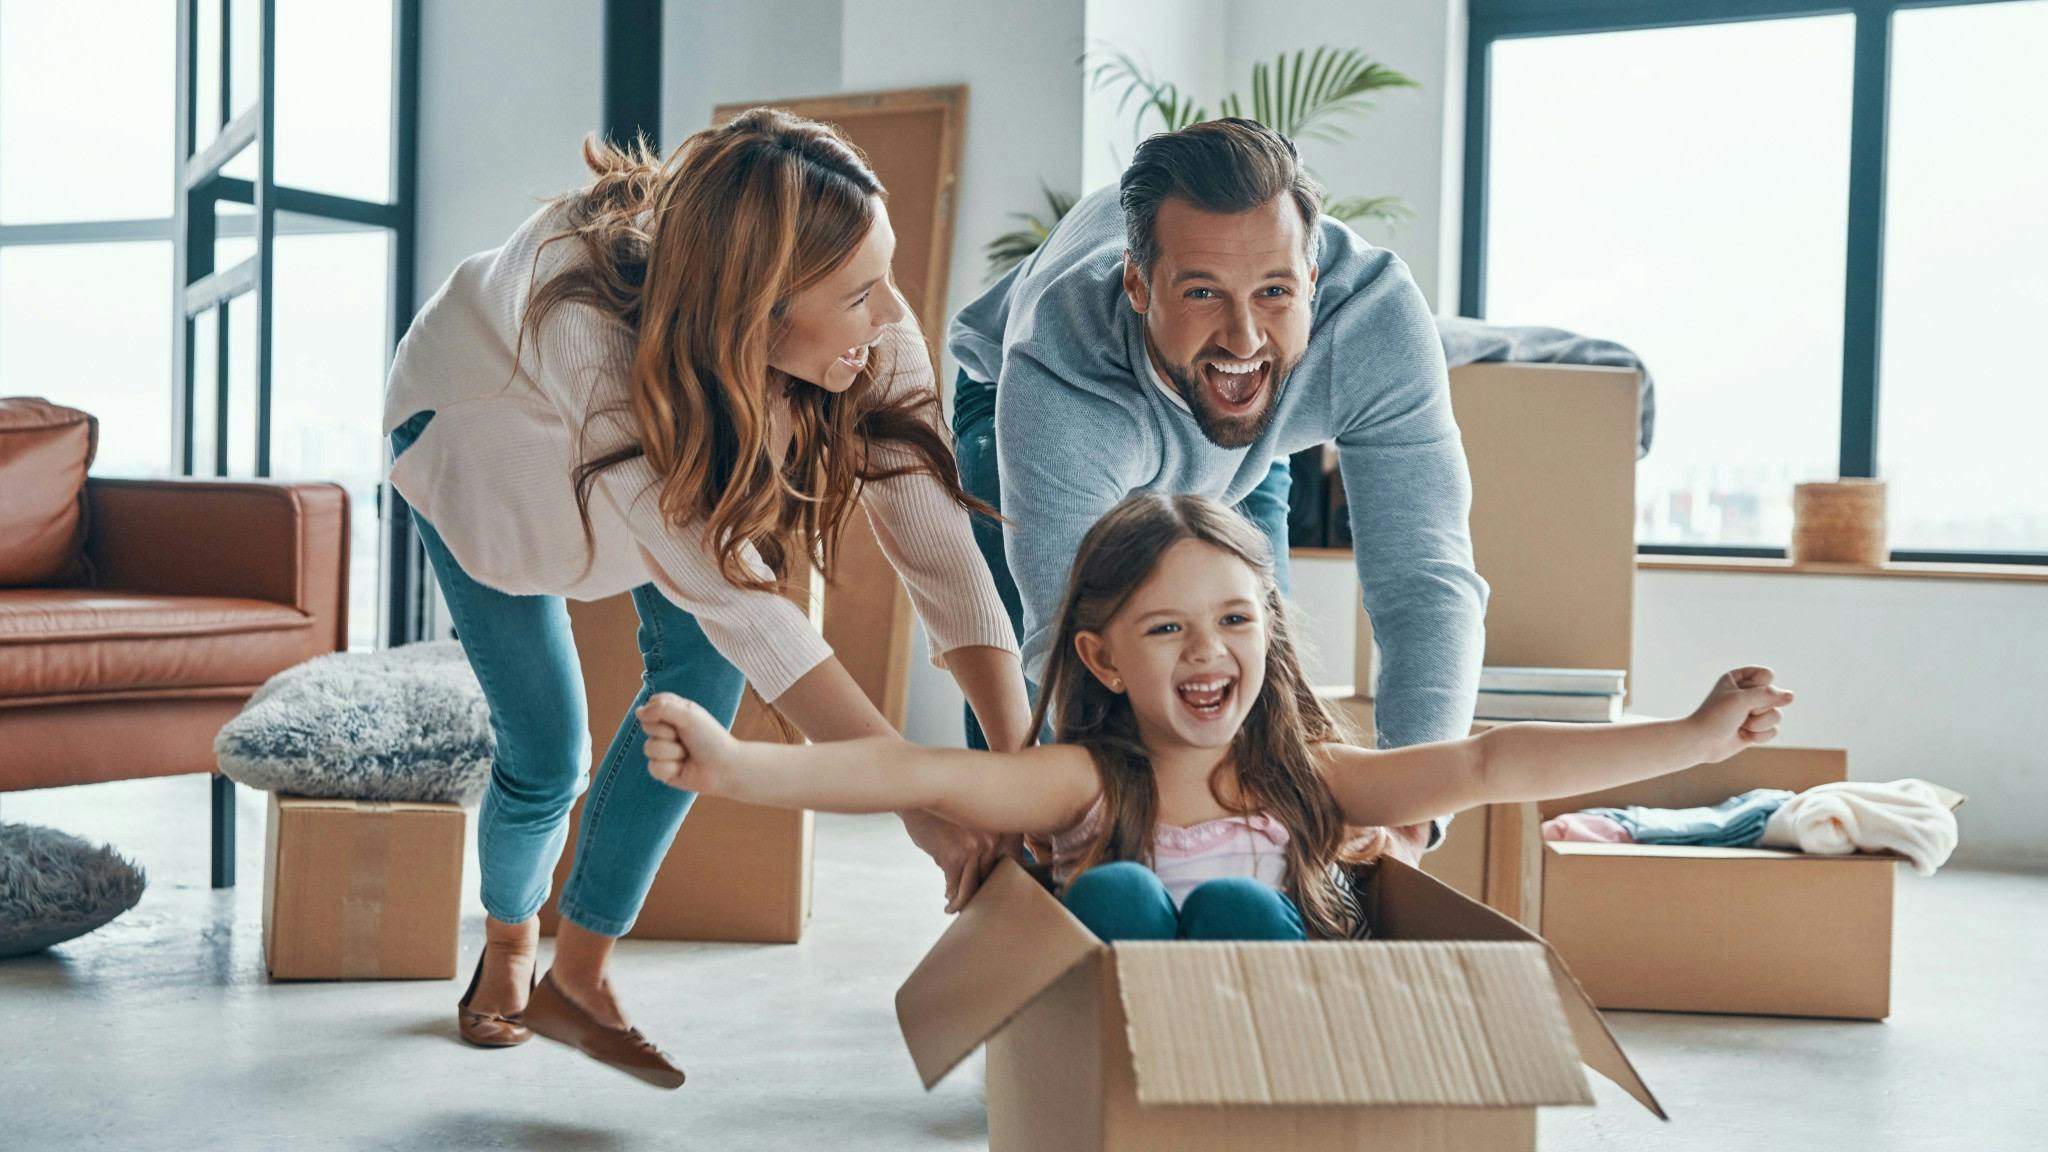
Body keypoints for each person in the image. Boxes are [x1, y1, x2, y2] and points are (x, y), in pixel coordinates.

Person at [382, 109, 1031, 1087]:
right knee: (545, 756)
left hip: (651, 476)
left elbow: (936, 545)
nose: (894, 318)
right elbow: (746, 607)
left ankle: (582, 978)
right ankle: (512, 938)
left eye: (884, 276)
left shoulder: (861, 333)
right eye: (861, 295)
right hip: (484, 469)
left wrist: (1014, 772)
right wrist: (923, 803)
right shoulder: (584, 329)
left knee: (700, 696)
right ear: (759, 312)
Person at [638, 494, 1794, 943]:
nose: (1207, 653)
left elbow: (1493, 761)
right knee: (1120, 892)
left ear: (1267, 634)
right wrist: (739, 769)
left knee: (1243, 898)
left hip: (1265, 1060)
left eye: (1235, 621)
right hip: (1112, 1061)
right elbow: (918, 778)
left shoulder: (1311, 781)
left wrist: (1692, 739)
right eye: (1165, 630)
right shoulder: (1083, 778)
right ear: (1098, 655)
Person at [947, 118, 1489, 865]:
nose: (1242, 335)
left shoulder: (1374, 326)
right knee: (1037, 738)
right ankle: (1018, 894)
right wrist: (1131, 837)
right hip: (1018, 401)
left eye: (1274, 291)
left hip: (1244, 434)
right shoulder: (1061, 362)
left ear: (1314, 279)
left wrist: (1407, 822)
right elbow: (1070, 642)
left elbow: (1425, 582)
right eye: (1203, 291)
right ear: (1138, 285)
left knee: (1263, 678)